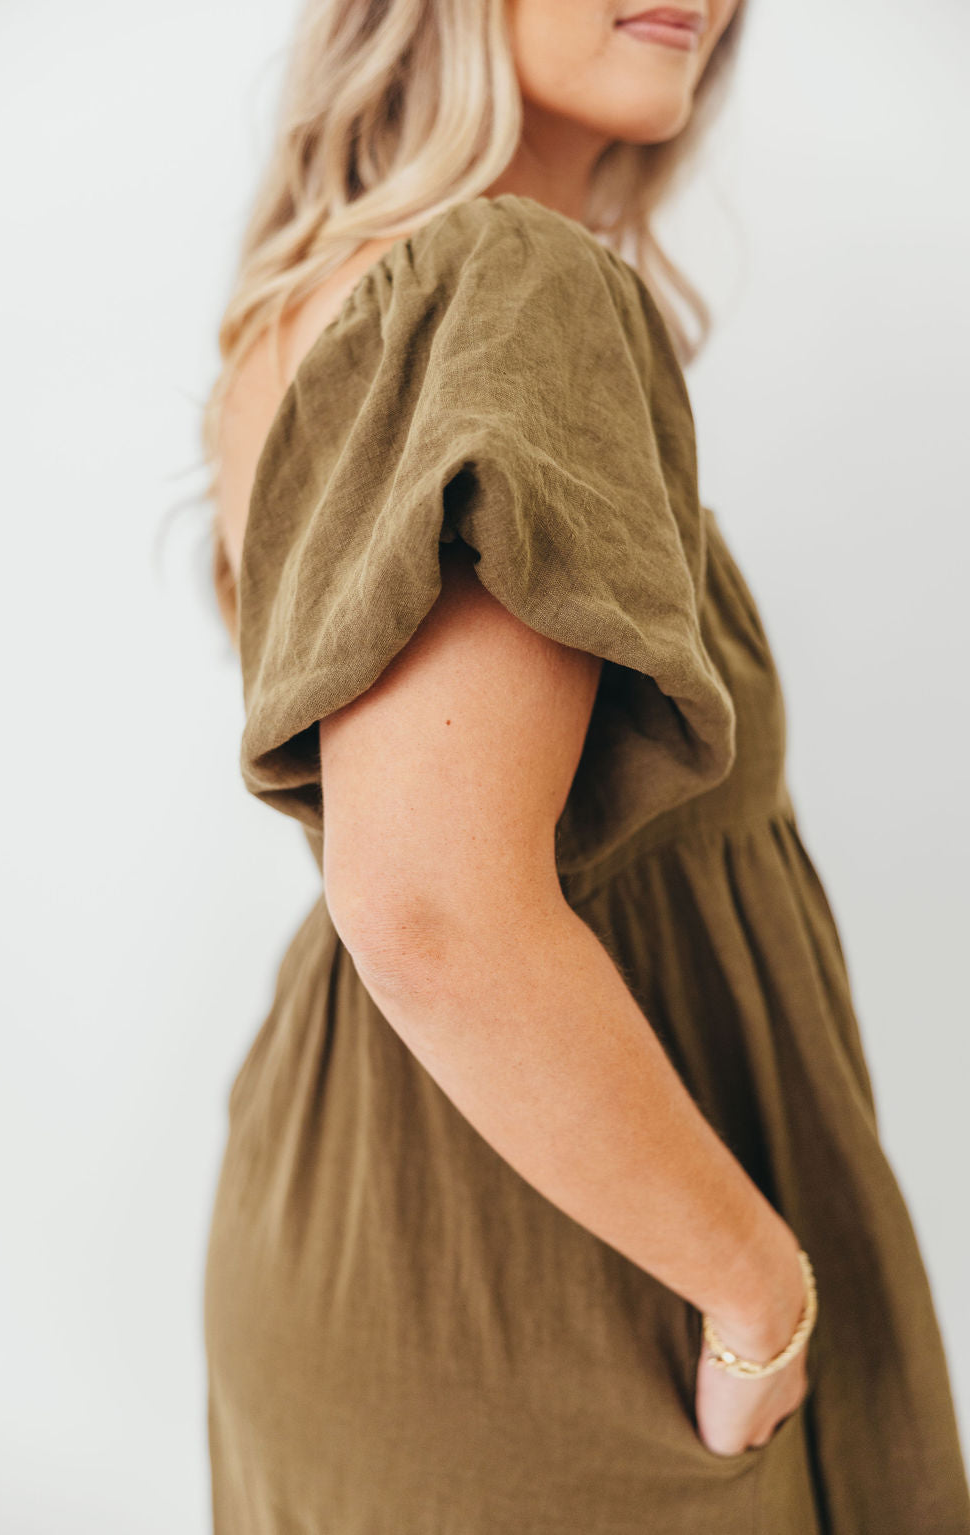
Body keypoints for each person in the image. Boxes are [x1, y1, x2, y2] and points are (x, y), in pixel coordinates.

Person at [199, 2, 970, 1531]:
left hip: (377, 1206)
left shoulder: (313, 303)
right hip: (558, 1272)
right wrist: (755, 1291)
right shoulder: (513, 281)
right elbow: (434, 910)